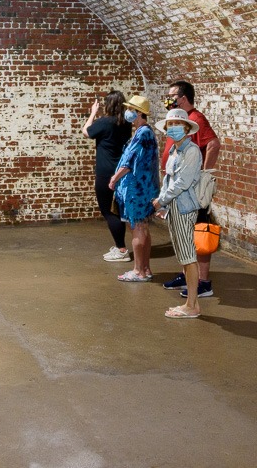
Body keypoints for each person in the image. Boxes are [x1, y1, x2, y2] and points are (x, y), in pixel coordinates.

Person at [159, 80, 221, 299]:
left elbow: (213, 144)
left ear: (182, 98)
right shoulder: (180, 120)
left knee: (198, 231)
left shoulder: (196, 118)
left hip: (190, 189)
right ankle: (188, 275)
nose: (167, 100)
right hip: (178, 187)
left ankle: (203, 282)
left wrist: (204, 176)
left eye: (171, 96)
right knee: (183, 235)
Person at [153, 109, 204, 319]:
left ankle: (192, 305)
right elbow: (169, 180)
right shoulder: (176, 150)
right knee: (184, 256)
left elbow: (182, 183)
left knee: (188, 256)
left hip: (184, 207)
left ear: (186, 128)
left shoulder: (191, 151)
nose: (172, 127)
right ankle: (190, 302)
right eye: (170, 124)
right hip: (174, 207)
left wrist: (161, 200)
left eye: (177, 123)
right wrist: (164, 204)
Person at [109, 95, 159, 283]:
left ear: (139, 112)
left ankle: (139, 270)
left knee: (137, 229)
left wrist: (114, 178)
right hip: (144, 188)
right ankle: (145, 269)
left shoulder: (142, 133)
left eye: (130, 108)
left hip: (136, 190)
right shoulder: (144, 132)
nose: (127, 112)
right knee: (143, 229)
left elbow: (129, 161)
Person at [82, 90, 133, 262]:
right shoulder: (126, 123)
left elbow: (86, 132)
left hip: (105, 173)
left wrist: (92, 114)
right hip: (121, 172)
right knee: (118, 211)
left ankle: (121, 249)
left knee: (108, 212)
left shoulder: (105, 122)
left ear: (108, 105)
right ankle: (120, 246)